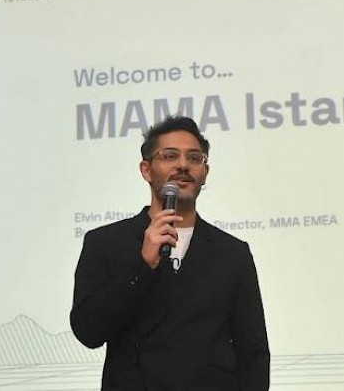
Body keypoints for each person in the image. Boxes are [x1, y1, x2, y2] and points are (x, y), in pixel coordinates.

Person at [70, 116, 270, 390]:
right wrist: (141, 265)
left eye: (194, 158)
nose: (183, 165)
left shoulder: (232, 253)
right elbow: (88, 331)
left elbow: (253, 353)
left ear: (205, 172)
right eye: (169, 156)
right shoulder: (105, 243)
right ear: (146, 170)